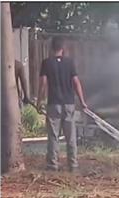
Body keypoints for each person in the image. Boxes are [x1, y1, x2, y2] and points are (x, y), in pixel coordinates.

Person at [37, 36, 87, 172]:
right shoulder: (69, 63)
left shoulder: (46, 63)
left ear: (52, 48)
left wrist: (39, 101)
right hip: (69, 104)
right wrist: (82, 102)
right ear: (63, 49)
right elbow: (76, 83)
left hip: (54, 104)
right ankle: (73, 164)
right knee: (70, 136)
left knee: (53, 135)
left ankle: (52, 164)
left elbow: (43, 83)